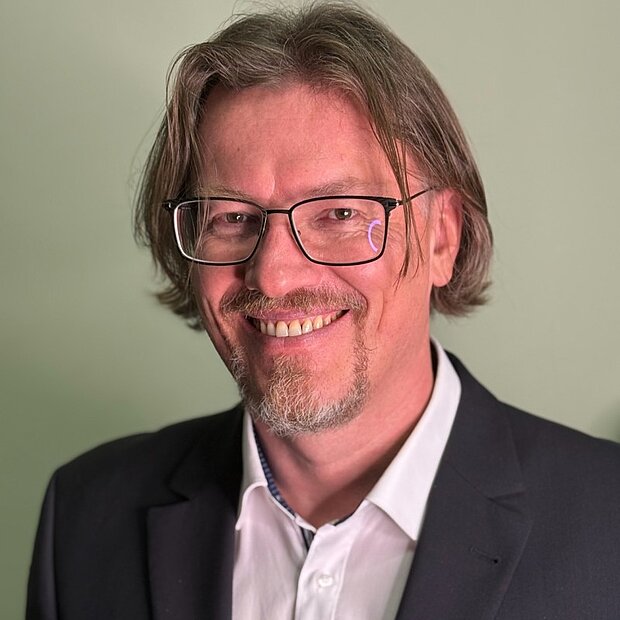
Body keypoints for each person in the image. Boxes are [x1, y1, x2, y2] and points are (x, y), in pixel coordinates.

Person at [27, 3, 620, 619]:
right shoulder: (86, 519)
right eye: (232, 218)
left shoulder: (608, 525)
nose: (275, 275)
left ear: (442, 237)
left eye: (339, 213)